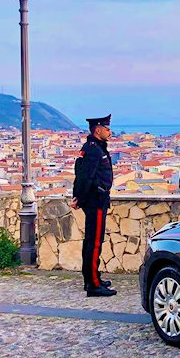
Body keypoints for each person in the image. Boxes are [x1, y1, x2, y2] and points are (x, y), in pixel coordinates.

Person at [71, 115, 117, 297]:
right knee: (94, 243)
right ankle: (93, 284)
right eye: (107, 128)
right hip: (96, 201)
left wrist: (78, 197)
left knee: (92, 241)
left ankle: (92, 277)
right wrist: (79, 198)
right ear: (97, 130)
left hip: (96, 200)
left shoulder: (93, 148)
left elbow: (80, 174)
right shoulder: (94, 150)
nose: (109, 131)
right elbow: (84, 177)